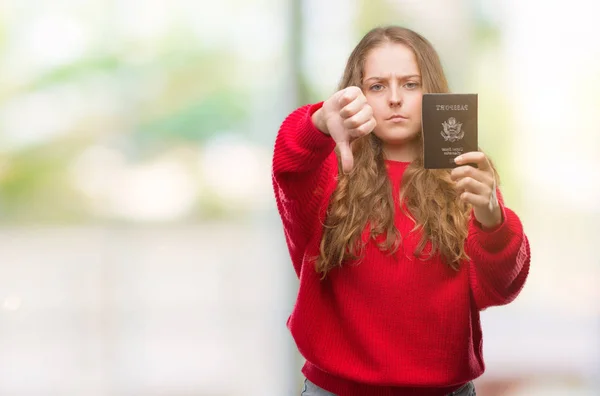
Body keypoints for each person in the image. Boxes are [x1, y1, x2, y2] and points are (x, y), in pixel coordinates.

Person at [271, 26, 530, 396]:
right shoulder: (329, 169)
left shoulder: (463, 175)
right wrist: (317, 123)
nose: (394, 98)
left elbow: (499, 290)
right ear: (355, 95)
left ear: (432, 93)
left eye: (410, 84)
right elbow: (289, 164)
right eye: (377, 86)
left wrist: (493, 217)